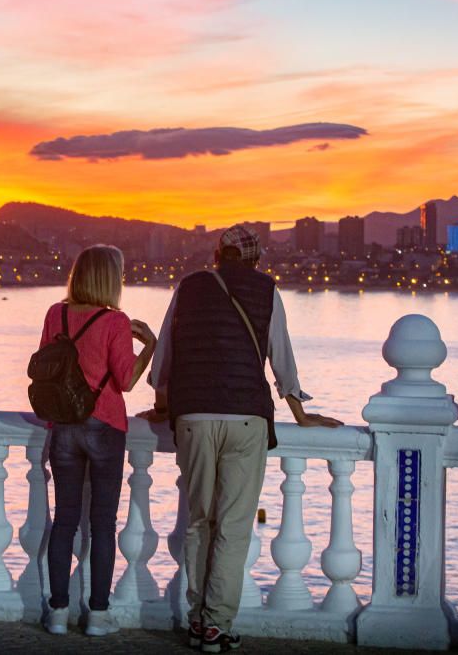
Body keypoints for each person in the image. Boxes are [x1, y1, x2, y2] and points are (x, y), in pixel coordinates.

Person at [140, 224, 341, 653]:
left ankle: (196, 619)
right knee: (232, 526)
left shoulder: (189, 287)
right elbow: (281, 356)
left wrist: (163, 405)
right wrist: (301, 414)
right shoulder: (266, 289)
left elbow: (165, 358)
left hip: (193, 414)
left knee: (198, 521)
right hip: (245, 419)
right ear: (254, 260)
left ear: (218, 254)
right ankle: (215, 626)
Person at [39, 245, 156, 637]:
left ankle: (57, 612)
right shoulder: (115, 322)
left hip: (64, 427)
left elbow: (45, 365)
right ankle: (98, 615)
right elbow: (125, 380)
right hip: (104, 425)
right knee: (103, 524)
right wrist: (150, 346)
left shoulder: (56, 314)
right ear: (110, 279)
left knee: (64, 520)